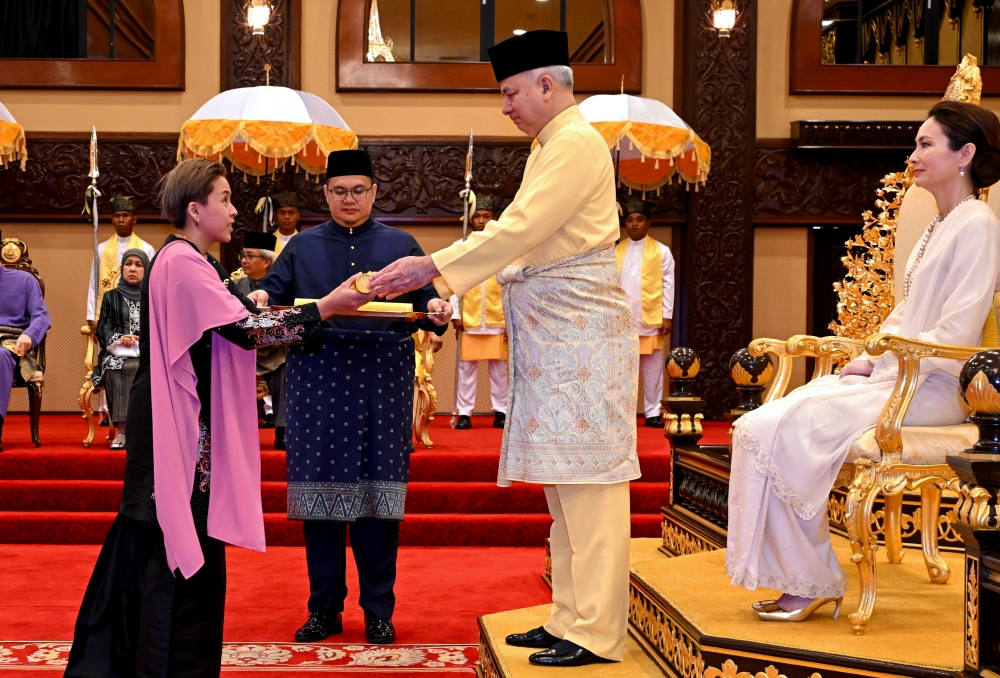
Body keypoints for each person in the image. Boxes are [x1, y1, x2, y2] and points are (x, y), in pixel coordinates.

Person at [368, 30, 639, 668]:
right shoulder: (555, 144)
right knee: (564, 486)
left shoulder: (573, 142)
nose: (506, 106)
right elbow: (522, 235)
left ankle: (597, 634)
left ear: (548, 85)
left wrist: (431, 266)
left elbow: (519, 231)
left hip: (582, 343)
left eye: (512, 93)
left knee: (592, 488)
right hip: (561, 342)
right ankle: (571, 615)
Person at [65, 158, 375, 678]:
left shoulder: (185, 259)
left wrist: (240, 301)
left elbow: (230, 322)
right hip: (178, 423)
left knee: (171, 542)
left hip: (178, 416)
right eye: (226, 199)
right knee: (174, 550)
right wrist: (328, 306)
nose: (234, 210)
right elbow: (251, 332)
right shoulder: (184, 261)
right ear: (195, 209)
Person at [726, 101, 1000, 622]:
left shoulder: (978, 225)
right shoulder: (938, 226)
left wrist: (889, 362)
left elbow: (958, 332)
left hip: (933, 388)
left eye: (925, 145)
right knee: (758, 424)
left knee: (787, 425)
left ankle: (808, 581)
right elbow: (905, 312)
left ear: (965, 154)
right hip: (899, 376)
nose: (912, 156)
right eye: (915, 145)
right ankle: (798, 575)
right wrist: (872, 359)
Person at [253, 149, 452, 646]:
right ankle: (323, 609)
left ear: (374, 193)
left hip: (381, 380)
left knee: (378, 504)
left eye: (358, 190)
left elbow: (425, 300)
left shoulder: (400, 243)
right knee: (320, 503)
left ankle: (378, 611)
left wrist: (438, 307)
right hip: (317, 379)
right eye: (339, 191)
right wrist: (257, 297)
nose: (349, 199)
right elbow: (272, 299)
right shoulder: (300, 247)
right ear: (326, 194)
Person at [448, 195, 508, 430]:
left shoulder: (505, 248)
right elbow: (452, 281)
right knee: (466, 369)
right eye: (478, 216)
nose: (482, 221)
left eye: (486, 216)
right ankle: (464, 413)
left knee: (500, 369)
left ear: (494, 219)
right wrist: (455, 314)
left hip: (498, 317)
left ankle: (501, 412)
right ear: (470, 218)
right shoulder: (461, 246)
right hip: (470, 316)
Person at [615, 198, 674, 428]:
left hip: (651, 319)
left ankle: (652, 413)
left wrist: (666, 315)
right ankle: (623, 413)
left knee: (652, 368)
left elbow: (668, 285)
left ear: (648, 222)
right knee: (622, 369)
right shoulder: (615, 250)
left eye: (639, 219)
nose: (634, 224)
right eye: (629, 220)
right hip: (622, 321)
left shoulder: (662, 251)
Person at [230, 231, 289, 449]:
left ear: (266, 261)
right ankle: (233, 432)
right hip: (242, 350)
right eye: (243, 256)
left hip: (274, 351)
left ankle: (282, 429)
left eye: (249, 256)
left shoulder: (281, 287)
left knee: (284, 368)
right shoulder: (235, 286)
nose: (244, 261)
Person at [0, 231, 51, 453]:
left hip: (11, 342)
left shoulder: (24, 280)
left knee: (0, 355)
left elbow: (41, 316)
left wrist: (29, 335)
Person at [93, 249, 149, 450]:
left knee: (146, 368)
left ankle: (145, 432)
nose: (132, 268)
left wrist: (140, 338)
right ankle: (123, 431)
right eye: (128, 264)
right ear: (122, 267)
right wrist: (120, 338)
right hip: (116, 353)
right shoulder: (111, 297)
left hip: (147, 352)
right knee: (119, 368)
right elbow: (103, 327)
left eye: (138, 265)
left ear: (146, 269)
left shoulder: (153, 296)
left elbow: (161, 325)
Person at [86, 195, 156, 330]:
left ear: (134, 219)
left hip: (137, 313)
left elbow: (151, 286)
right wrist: (91, 315)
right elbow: (94, 284)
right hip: (107, 313)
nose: (121, 220)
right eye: (117, 216)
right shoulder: (101, 249)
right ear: (111, 219)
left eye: (126, 215)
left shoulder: (147, 249)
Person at [272, 191, 301, 255]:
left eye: (291, 212)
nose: (286, 217)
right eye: (282, 213)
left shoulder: (304, 241)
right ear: (276, 215)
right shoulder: (267, 242)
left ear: (298, 215)